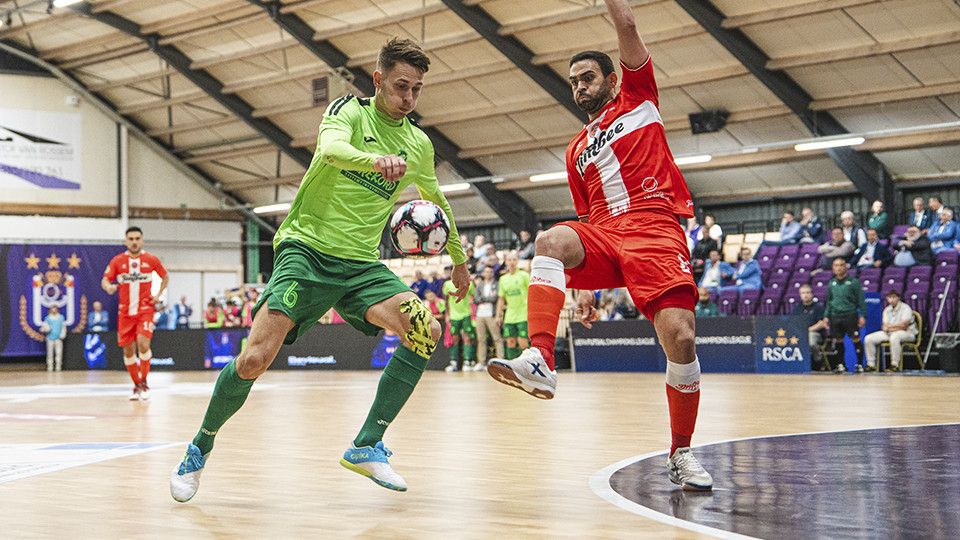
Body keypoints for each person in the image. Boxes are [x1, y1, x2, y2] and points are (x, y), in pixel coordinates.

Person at [170, 37, 470, 503]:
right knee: (253, 360)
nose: (408, 98)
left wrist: (459, 259)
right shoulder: (348, 112)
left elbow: (436, 199)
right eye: (400, 87)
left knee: (425, 328)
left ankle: (367, 443)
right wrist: (375, 160)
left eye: (416, 90)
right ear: (378, 81)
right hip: (305, 252)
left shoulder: (418, 143)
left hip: (361, 265)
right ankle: (199, 447)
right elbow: (330, 150)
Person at [486, 0, 713, 491]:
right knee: (548, 241)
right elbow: (586, 217)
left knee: (682, 339)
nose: (578, 86)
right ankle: (541, 360)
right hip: (606, 232)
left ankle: (681, 452)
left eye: (587, 77)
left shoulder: (638, 98)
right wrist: (580, 284)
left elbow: (626, 22)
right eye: (572, 81)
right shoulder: (575, 150)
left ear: (612, 79)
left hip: (655, 228)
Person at [102, 226, 168, 401]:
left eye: (137, 238)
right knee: (128, 351)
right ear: (126, 241)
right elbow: (105, 279)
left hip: (145, 310)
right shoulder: (117, 261)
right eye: (130, 239)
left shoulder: (151, 259)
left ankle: (145, 382)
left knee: (143, 344)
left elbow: (165, 276)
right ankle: (137, 385)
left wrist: (158, 295)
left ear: (142, 240)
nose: (134, 241)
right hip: (125, 314)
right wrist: (108, 286)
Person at [823, 258, 867, 373]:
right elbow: (829, 301)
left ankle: (859, 365)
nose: (839, 268)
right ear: (833, 268)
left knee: (855, 338)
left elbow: (861, 300)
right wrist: (826, 316)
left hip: (850, 314)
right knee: (838, 340)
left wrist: (862, 315)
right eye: (836, 265)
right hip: (835, 316)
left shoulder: (853, 282)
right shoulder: (831, 283)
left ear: (846, 267)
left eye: (841, 265)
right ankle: (841, 365)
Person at [863, 290, 918, 372]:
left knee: (894, 337)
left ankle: (894, 365)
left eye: (894, 297)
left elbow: (905, 326)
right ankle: (871, 365)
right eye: (889, 297)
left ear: (898, 298)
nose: (891, 300)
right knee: (868, 338)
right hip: (889, 333)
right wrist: (893, 327)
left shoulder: (906, 308)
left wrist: (890, 327)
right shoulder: (887, 310)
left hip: (908, 333)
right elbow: (884, 326)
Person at [498, 251, 530, 359]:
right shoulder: (503, 279)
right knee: (510, 341)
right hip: (510, 316)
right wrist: (499, 315)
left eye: (514, 260)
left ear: (517, 262)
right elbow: (501, 299)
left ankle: (527, 364)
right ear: (506, 262)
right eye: (509, 260)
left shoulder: (524, 276)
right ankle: (512, 365)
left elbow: (531, 293)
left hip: (523, 314)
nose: (512, 262)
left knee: (523, 342)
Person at [473, 266, 504, 371]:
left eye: (491, 272)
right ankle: (481, 362)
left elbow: (496, 298)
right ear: (483, 273)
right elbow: (475, 299)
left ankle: (500, 360)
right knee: (481, 339)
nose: (489, 273)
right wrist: (486, 299)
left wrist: (483, 298)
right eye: (487, 271)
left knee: (497, 338)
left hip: (491, 314)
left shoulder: (497, 284)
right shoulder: (480, 285)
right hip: (480, 314)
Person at [444, 274, 475, 371]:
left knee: (467, 338)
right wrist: (447, 314)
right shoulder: (447, 284)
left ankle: (467, 362)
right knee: (455, 339)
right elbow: (446, 300)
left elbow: (472, 299)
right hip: (453, 316)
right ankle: (453, 363)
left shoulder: (469, 284)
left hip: (466, 315)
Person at [791, 284, 827, 371]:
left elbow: (821, 323)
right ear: (800, 295)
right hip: (799, 333)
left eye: (807, 292)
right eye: (803, 293)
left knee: (811, 341)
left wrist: (808, 330)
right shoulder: (797, 309)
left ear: (812, 294)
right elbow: (791, 322)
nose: (805, 295)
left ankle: (818, 361)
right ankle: (796, 363)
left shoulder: (818, 307)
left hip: (815, 333)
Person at [42, 305, 66, 372]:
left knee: (59, 353)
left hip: (58, 338)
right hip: (50, 338)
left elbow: (63, 327)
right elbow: (45, 326)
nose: (54, 310)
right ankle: (50, 367)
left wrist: (62, 335)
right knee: (50, 353)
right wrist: (45, 329)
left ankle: (58, 367)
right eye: (52, 309)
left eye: (55, 309)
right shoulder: (47, 318)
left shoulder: (61, 317)